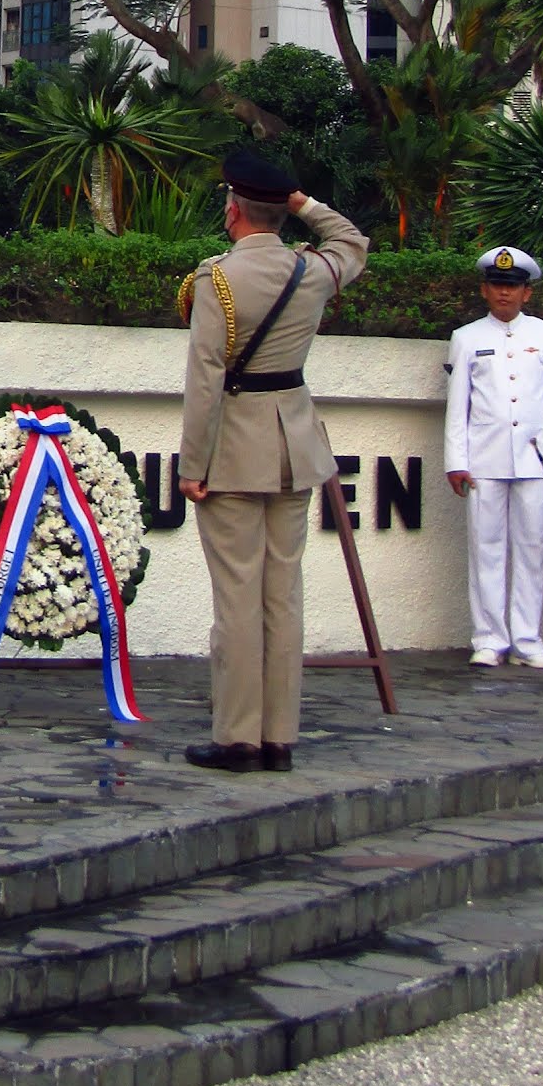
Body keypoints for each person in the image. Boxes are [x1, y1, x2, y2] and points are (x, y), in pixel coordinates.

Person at [176, 146, 370, 773]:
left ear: (232, 211)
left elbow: (206, 377)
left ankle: (238, 738)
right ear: (279, 212)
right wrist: (303, 204)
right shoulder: (311, 270)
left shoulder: (218, 278)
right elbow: (353, 241)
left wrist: (192, 464)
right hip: (294, 446)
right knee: (282, 597)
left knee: (237, 598)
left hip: (234, 449)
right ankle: (278, 738)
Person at [443, 245, 543, 670]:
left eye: (513, 287)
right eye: (498, 286)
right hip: (485, 459)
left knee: (532, 548)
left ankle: (527, 640)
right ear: (485, 290)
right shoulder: (466, 338)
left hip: (536, 459)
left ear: (526, 293)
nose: (505, 294)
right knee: (486, 548)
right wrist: (455, 461)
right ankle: (488, 638)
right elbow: (458, 408)